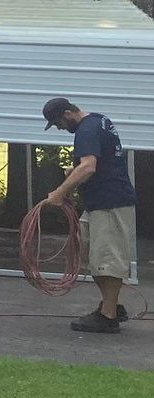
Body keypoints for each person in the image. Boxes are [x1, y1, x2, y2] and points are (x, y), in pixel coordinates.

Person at [41, 97, 139, 334]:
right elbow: (100, 162)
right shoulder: (99, 121)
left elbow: (89, 166)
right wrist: (74, 171)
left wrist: (59, 192)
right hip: (100, 202)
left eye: (58, 123)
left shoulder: (85, 130)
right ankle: (112, 306)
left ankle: (108, 317)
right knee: (92, 254)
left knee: (107, 259)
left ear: (67, 113)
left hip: (110, 202)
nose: (59, 128)